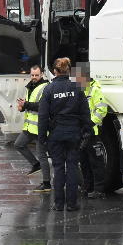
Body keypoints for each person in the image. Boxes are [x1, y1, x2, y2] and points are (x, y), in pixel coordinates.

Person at [38, 58, 91, 211]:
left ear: (55, 71)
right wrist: (87, 131)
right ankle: (72, 204)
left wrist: (42, 138)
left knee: (59, 168)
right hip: (74, 134)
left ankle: (59, 203)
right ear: (68, 71)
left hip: (56, 134)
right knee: (73, 167)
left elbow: (43, 116)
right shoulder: (77, 88)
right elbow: (85, 113)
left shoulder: (49, 89)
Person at [13, 65, 51, 192]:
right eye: (32, 75)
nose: (34, 77)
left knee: (42, 156)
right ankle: (36, 165)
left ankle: (46, 184)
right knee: (18, 144)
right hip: (30, 127)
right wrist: (22, 106)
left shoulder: (45, 87)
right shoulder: (30, 87)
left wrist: (26, 104)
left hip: (40, 128)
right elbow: (29, 104)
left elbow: (43, 106)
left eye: (37, 75)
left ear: (42, 75)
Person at [75, 63, 108, 199]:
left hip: (92, 133)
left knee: (96, 163)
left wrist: (89, 123)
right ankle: (87, 187)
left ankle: (99, 190)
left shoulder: (95, 90)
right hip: (82, 132)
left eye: (78, 77)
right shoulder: (82, 90)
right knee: (84, 162)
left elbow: (102, 110)